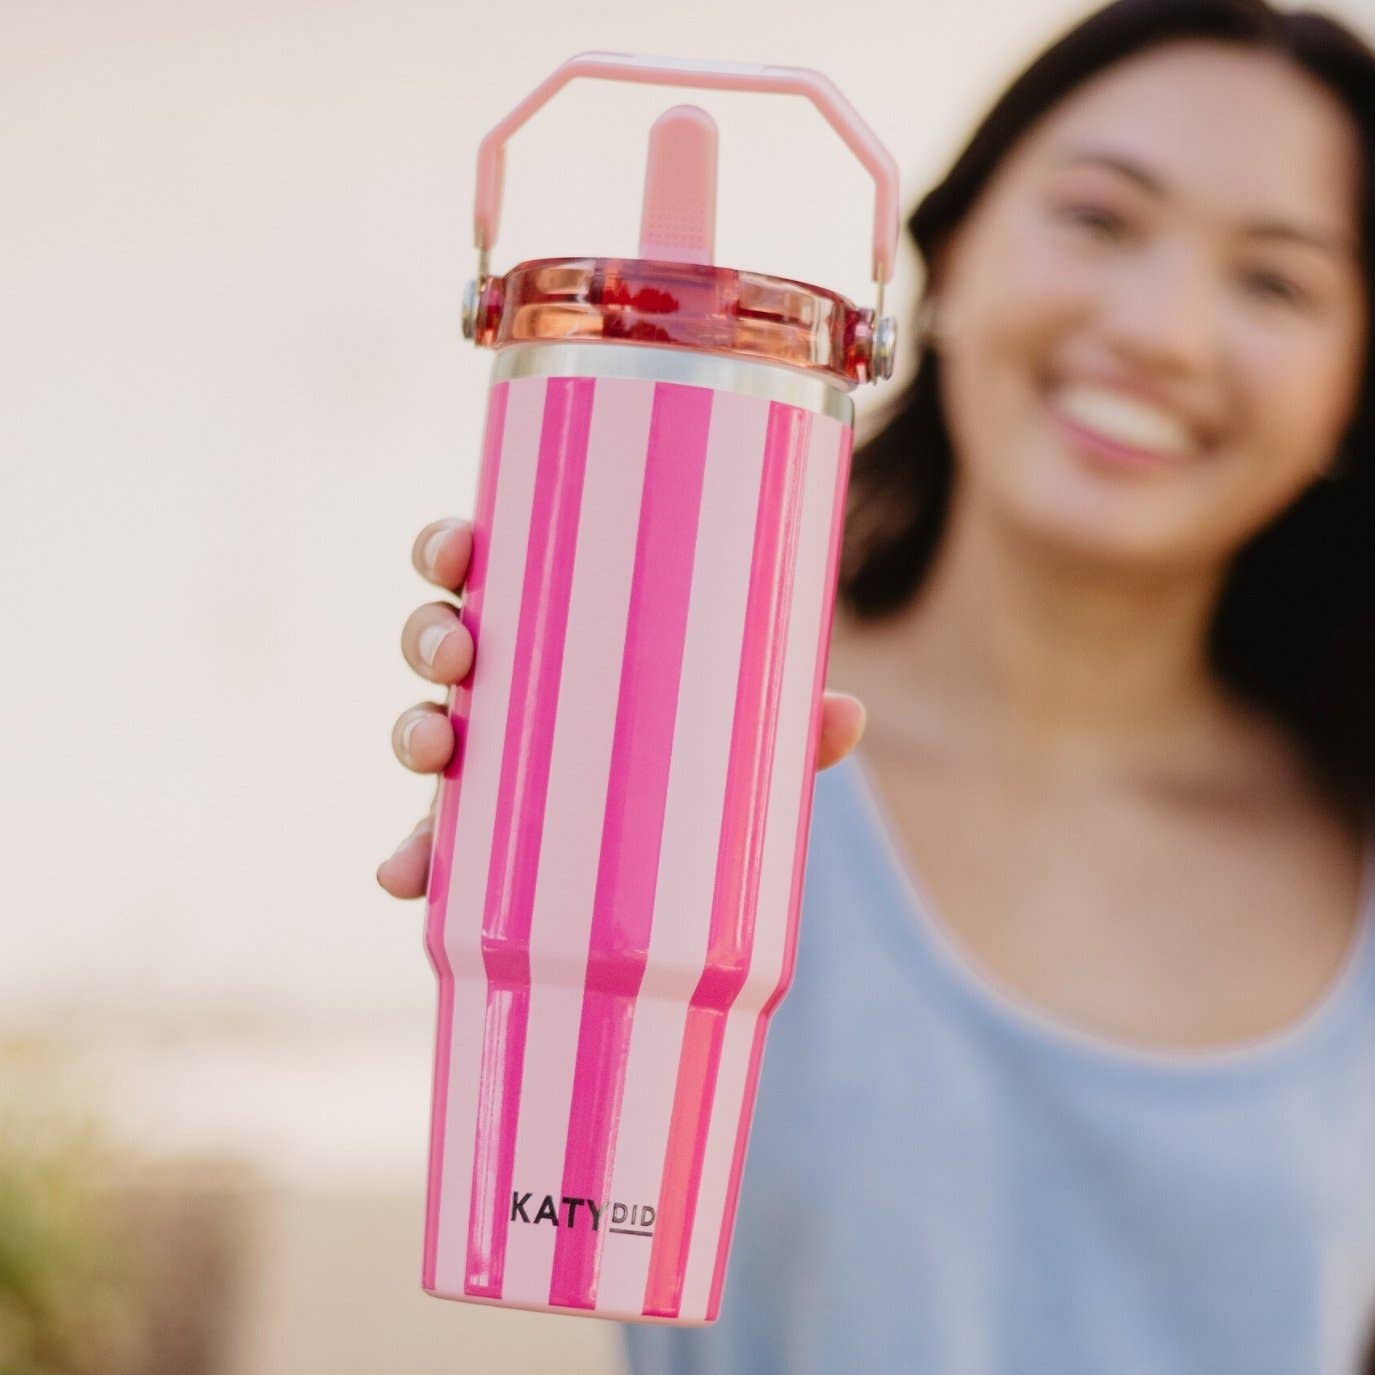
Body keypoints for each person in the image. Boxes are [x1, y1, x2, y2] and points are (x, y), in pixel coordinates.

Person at [377, 0, 1375, 1367]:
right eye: (1099, 218)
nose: (1163, 330)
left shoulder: (1350, 828)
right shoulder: (725, 738)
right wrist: (537, 845)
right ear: (947, 257)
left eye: (1276, 282)